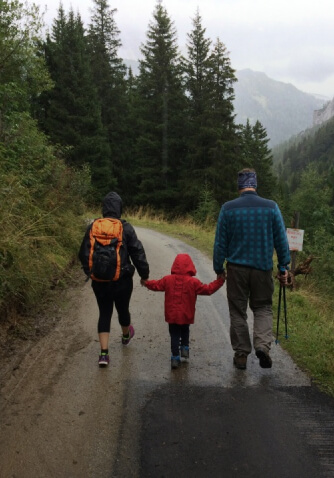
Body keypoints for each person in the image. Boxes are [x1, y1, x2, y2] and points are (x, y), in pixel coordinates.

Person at [213, 168, 290, 370]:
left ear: (239, 185)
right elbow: (281, 241)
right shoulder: (271, 207)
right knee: (263, 307)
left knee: (238, 312)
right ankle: (262, 346)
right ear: (255, 184)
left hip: (237, 269)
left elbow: (220, 243)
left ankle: (241, 355)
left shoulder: (228, 209)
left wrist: (218, 267)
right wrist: (284, 267)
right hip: (262, 269)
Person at [79, 192, 150, 367]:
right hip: (122, 280)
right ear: (120, 208)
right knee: (122, 309)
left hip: (99, 281)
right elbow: (137, 252)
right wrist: (144, 275)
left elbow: (83, 253)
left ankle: (104, 354)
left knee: (104, 312)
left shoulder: (93, 226)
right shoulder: (125, 228)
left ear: (104, 208)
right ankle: (126, 336)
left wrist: (91, 272)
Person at [141, 253, 224, 369]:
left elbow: (156, 285)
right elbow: (208, 289)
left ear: (174, 265)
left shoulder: (168, 280)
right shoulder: (193, 282)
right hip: (186, 314)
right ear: (190, 266)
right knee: (185, 330)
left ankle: (175, 357)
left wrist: (146, 283)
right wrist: (219, 281)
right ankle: (185, 348)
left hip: (172, 315)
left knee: (174, 335)